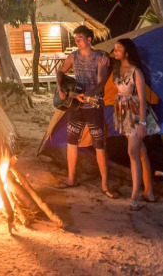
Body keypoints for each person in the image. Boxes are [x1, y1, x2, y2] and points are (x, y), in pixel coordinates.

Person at [55, 25, 115, 198]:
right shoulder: (73, 56)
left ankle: (105, 185)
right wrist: (60, 88)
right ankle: (71, 178)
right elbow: (60, 71)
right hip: (76, 105)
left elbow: (101, 82)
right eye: (76, 38)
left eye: (80, 38)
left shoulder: (100, 57)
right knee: (71, 141)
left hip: (93, 106)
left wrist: (89, 94)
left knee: (99, 144)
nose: (77, 41)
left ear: (89, 39)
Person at [111, 38, 159, 211]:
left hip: (135, 114)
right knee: (140, 151)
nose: (115, 51)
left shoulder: (136, 72)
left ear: (127, 52)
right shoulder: (116, 68)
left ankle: (135, 196)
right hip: (122, 113)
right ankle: (149, 191)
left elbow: (143, 98)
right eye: (114, 48)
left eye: (119, 48)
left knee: (132, 152)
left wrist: (143, 123)